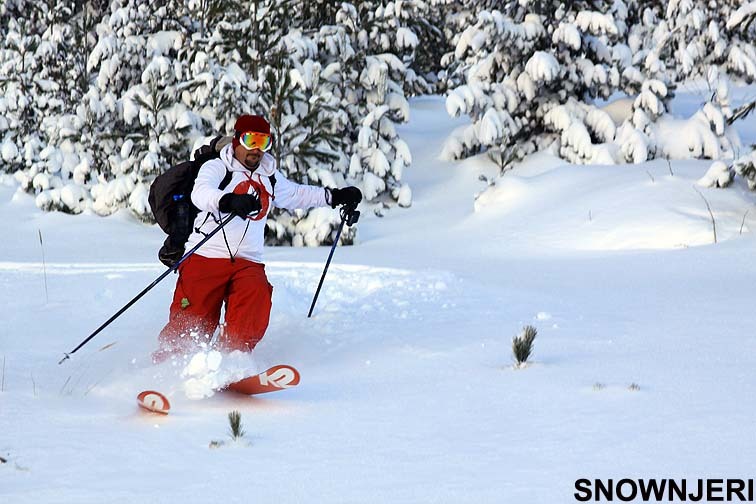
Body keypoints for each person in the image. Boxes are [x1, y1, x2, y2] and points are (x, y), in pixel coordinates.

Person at [153, 114, 362, 362]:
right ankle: (170, 364)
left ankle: (232, 359)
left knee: (256, 296)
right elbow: (201, 194)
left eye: (263, 142)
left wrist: (335, 196)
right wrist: (227, 200)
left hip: (248, 261)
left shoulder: (269, 175)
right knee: (193, 319)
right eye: (251, 140)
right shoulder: (218, 167)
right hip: (206, 256)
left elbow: (297, 195)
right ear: (237, 141)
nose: (256, 149)